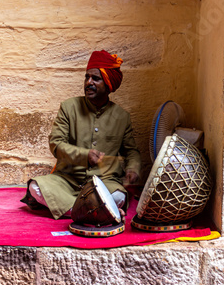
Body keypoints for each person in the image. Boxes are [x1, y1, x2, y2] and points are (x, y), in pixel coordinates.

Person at [21, 50, 142, 220]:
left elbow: (131, 151)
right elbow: (56, 143)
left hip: (103, 182)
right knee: (35, 187)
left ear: (108, 84)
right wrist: (84, 155)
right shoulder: (69, 107)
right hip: (67, 180)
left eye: (95, 78)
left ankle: (75, 210)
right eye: (87, 77)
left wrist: (133, 168)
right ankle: (95, 212)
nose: (88, 82)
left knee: (119, 197)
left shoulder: (121, 117)